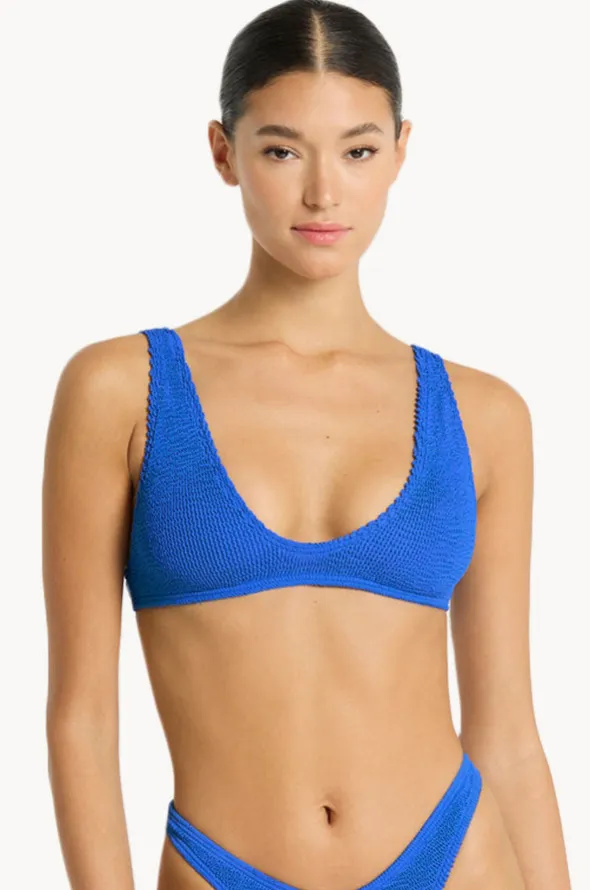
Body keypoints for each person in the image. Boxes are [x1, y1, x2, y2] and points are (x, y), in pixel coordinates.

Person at [43, 1, 571, 888]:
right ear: (224, 153)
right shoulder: (121, 391)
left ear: (401, 152)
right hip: (223, 867)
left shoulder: (485, 416)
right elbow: (82, 722)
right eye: (283, 151)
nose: (324, 193)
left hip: (458, 857)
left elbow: (509, 734)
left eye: (358, 152)